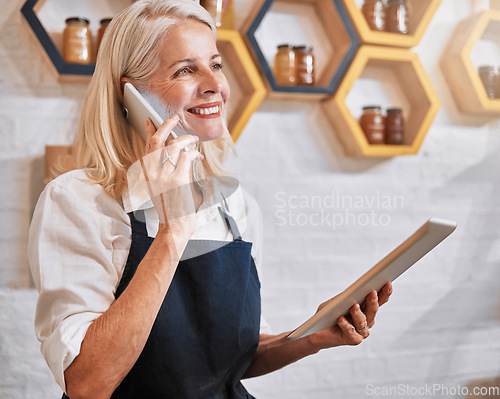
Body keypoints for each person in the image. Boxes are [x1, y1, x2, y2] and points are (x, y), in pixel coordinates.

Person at [28, 0, 393, 398]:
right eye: (185, 69)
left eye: (215, 65)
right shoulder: (76, 201)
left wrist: (310, 337)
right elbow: (87, 383)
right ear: (129, 93)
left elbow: (234, 356)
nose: (215, 84)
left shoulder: (236, 205)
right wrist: (172, 232)